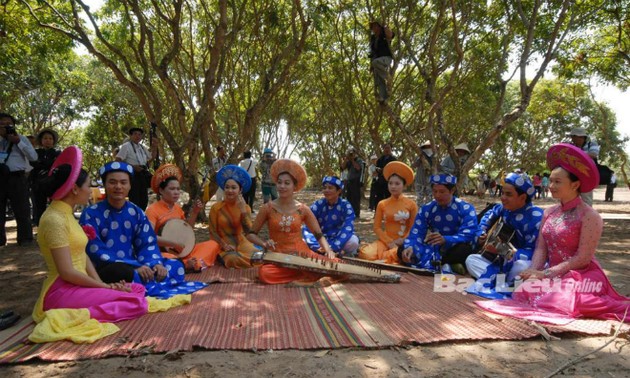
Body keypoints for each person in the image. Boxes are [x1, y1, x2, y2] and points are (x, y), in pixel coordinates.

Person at [478, 143, 630, 323]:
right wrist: (533, 270)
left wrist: (545, 273)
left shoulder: (590, 216)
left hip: (581, 275)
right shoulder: (549, 212)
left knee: (568, 300)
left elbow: (583, 258)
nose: (551, 186)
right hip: (552, 273)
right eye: (550, 180)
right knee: (523, 290)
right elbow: (541, 249)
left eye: (557, 182)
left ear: (575, 184)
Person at [32, 146, 148, 330]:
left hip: (79, 284)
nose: (91, 190)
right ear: (75, 189)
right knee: (136, 301)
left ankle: (90, 306)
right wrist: (104, 288)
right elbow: (67, 272)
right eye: (88, 185)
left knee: (137, 290)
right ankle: (73, 315)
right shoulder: (54, 219)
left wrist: (101, 285)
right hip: (61, 290)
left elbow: (82, 256)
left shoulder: (66, 215)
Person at [80, 161, 207, 298]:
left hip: (138, 263)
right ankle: (140, 281)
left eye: (123, 182)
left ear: (130, 186)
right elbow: (95, 250)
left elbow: (147, 243)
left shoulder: (136, 212)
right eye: (112, 182)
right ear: (105, 184)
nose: (118, 186)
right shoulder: (90, 214)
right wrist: (134, 266)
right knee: (123, 273)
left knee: (176, 266)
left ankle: (142, 281)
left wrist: (155, 263)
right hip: (109, 266)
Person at [246, 159, 337, 286]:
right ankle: (309, 273)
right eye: (279, 183)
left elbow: (318, 234)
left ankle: (308, 270)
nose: (282, 186)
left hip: (301, 254)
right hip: (277, 255)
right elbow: (250, 234)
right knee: (265, 274)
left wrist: (328, 251)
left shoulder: (303, 209)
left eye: (287, 183)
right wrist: (264, 243)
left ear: (294, 187)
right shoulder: (267, 208)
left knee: (337, 266)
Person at [465, 173, 543, 299]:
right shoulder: (504, 208)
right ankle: (507, 284)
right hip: (500, 260)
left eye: (509, 194)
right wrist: (482, 232)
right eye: (502, 193)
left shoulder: (536, 217)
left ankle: (499, 282)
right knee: (471, 260)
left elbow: (535, 251)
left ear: (523, 197)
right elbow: (488, 216)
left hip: (522, 261)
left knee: (521, 267)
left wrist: (503, 251)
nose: (503, 198)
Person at [145, 164, 220, 272]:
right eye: (172, 189)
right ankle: (186, 264)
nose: (176, 192)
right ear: (161, 190)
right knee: (167, 258)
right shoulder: (152, 210)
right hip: (163, 252)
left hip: (183, 251)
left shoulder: (177, 208)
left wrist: (195, 212)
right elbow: (149, 237)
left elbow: (187, 230)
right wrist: (173, 244)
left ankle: (188, 264)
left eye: (178, 189)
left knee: (213, 244)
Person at [400, 174, 478, 273]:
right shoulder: (427, 208)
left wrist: (446, 239)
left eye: (442, 191)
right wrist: (410, 246)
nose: (437, 195)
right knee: (402, 250)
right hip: (433, 247)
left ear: (452, 190)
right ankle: (447, 264)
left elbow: (468, 234)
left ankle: (440, 262)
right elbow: (417, 232)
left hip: (454, 246)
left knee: (464, 250)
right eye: (435, 191)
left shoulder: (466, 208)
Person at [358, 162, 417, 263]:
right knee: (365, 254)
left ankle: (386, 257)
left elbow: (413, 228)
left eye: (397, 183)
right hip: (385, 241)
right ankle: (388, 257)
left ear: (404, 186)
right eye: (390, 183)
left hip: (404, 243)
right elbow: (376, 228)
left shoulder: (412, 205)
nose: (393, 186)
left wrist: (402, 240)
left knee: (402, 254)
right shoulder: (382, 204)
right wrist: (389, 242)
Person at [208, 164, 258, 269]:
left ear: (240, 190)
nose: (230, 190)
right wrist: (223, 245)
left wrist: (243, 211)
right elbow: (212, 232)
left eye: (233, 187)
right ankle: (221, 257)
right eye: (227, 187)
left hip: (241, 242)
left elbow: (249, 232)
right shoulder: (216, 208)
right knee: (233, 259)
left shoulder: (246, 208)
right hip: (222, 244)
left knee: (259, 258)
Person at [0, 113, 37, 247]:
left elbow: (33, 157)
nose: (5, 126)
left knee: (22, 209)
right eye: (2, 124)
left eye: (8, 124)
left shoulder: (21, 139)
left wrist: (18, 142)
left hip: (17, 177)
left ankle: (25, 238)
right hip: (0, 177)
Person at [303, 176, 360, 257]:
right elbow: (308, 225)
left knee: (353, 242)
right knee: (302, 241)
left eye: (330, 188)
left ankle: (336, 251)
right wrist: (317, 246)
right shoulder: (318, 204)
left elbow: (348, 228)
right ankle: (326, 251)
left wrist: (333, 247)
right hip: (320, 239)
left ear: (339, 191)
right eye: (325, 188)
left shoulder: (346, 205)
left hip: (339, 238)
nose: (326, 190)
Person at [115, 127, 155, 210]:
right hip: (132, 174)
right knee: (135, 198)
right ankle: (134, 217)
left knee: (144, 198)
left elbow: (151, 157)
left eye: (140, 134)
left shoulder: (142, 147)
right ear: (131, 135)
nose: (138, 136)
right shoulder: (126, 146)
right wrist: (132, 167)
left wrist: (155, 146)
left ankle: (141, 216)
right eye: (135, 134)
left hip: (142, 173)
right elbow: (118, 160)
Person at [30, 129, 61, 225]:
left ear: (53, 141)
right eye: (45, 138)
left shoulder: (58, 153)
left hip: (53, 184)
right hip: (38, 184)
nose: (48, 140)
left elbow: (58, 165)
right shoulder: (35, 152)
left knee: (55, 206)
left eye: (50, 138)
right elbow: (33, 164)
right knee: (39, 207)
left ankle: (55, 226)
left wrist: (42, 164)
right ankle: (40, 226)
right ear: (41, 140)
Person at [567, 127, 600, 206]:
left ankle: (587, 217)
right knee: (571, 197)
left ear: (581, 137)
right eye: (572, 137)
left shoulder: (592, 144)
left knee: (586, 198)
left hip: (587, 175)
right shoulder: (570, 145)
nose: (572, 139)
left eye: (574, 137)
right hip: (573, 174)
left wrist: (576, 155)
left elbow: (593, 154)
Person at [369, 21, 394, 103]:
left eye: (376, 26)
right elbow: (372, 52)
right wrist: (371, 66)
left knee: (375, 63)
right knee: (379, 79)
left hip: (386, 58)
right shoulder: (373, 38)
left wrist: (385, 27)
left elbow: (391, 35)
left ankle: (387, 77)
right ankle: (384, 99)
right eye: (372, 27)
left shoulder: (384, 33)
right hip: (377, 61)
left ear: (379, 27)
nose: (374, 28)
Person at [340, 146, 365, 218]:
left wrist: (353, 160)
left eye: (352, 153)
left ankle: (356, 214)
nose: (351, 154)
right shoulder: (348, 161)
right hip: (349, 181)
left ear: (355, 153)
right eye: (349, 153)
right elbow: (342, 168)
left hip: (356, 181)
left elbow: (358, 168)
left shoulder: (359, 160)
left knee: (356, 198)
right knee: (349, 197)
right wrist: (346, 159)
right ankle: (350, 213)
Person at [412, 141, 434, 206]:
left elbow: (437, 167)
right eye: (426, 147)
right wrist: (420, 158)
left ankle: (428, 213)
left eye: (429, 147)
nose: (428, 148)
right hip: (419, 180)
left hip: (430, 182)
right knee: (419, 199)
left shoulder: (434, 157)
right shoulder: (419, 156)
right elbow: (413, 165)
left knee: (429, 199)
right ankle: (419, 213)